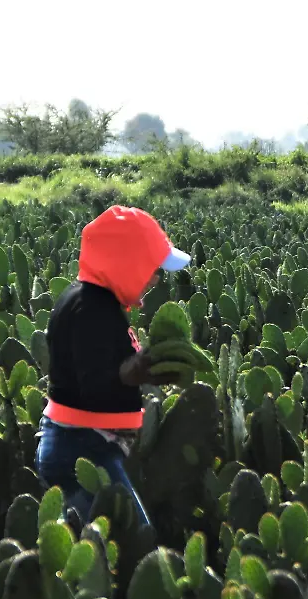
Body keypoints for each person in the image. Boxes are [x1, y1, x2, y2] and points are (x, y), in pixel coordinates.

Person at [34, 205, 192, 526]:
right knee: (132, 537)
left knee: (97, 543)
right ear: (128, 265)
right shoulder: (93, 311)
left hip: (79, 445)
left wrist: (141, 371)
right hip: (82, 448)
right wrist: (134, 371)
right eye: (152, 267)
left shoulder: (86, 301)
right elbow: (93, 385)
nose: (157, 277)